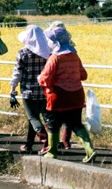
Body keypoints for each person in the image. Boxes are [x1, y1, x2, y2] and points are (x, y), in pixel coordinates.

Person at [38, 26, 96, 163]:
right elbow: (83, 75)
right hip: (76, 95)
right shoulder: (75, 56)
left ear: (56, 42)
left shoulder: (54, 58)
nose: (49, 43)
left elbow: (45, 79)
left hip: (58, 96)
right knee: (76, 123)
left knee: (54, 124)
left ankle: (52, 152)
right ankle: (90, 150)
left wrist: (39, 79)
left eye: (51, 40)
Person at [9, 25, 51, 154]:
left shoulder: (23, 52)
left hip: (28, 90)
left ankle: (45, 141)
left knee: (33, 117)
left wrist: (13, 87)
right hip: (44, 90)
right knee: (35, 117)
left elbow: (17, 72)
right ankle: (29, 144)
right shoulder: (48, 53)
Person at [48, 20, 77, 150]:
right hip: (71, 79)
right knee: (68, 113)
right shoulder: (70, 42)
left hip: (56, 81)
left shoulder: (51, 43)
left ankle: (52, 144)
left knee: (54, 115)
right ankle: (66, 141)